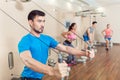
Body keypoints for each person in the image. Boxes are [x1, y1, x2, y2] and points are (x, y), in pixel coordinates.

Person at [18, 10, 94, 80]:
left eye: (44, 21)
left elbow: (66, 48)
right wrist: (53, 71)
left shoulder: (47, 38)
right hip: (27, 78)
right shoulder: (25, 40)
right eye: (39, 21)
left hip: (40, 77)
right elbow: (27, 60)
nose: (42, 24)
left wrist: (85, 53)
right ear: (31, 22)